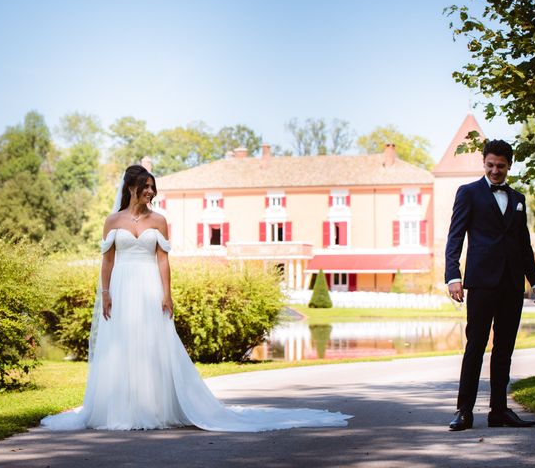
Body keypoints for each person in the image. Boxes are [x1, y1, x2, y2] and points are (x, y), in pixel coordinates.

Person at [41, 165, 351, 431]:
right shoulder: (112, 221)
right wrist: (106, 293)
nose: (151, 192)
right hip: (121, 286)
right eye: (146, 186)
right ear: (132, 187)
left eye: (153, 187)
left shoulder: (159, 221)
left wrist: (168, 295)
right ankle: (117, 410)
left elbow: (163, 260)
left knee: (152, 344)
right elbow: (106, 261)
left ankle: (154, 408)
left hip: (149, 287)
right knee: (121, 342)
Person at [445, 140, 535, 431]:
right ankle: (464, 412)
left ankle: (499, 411)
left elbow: (523, 244)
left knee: (505, 349)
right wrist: (453, 276)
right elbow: (456, 237)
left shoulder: (518, 198)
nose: (495, 171)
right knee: (475, 346)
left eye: (500, 166)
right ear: (484, 163)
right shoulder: (468, 193)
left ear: (509, 166)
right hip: (481, 282)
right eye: (490, 165)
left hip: (512, 284)